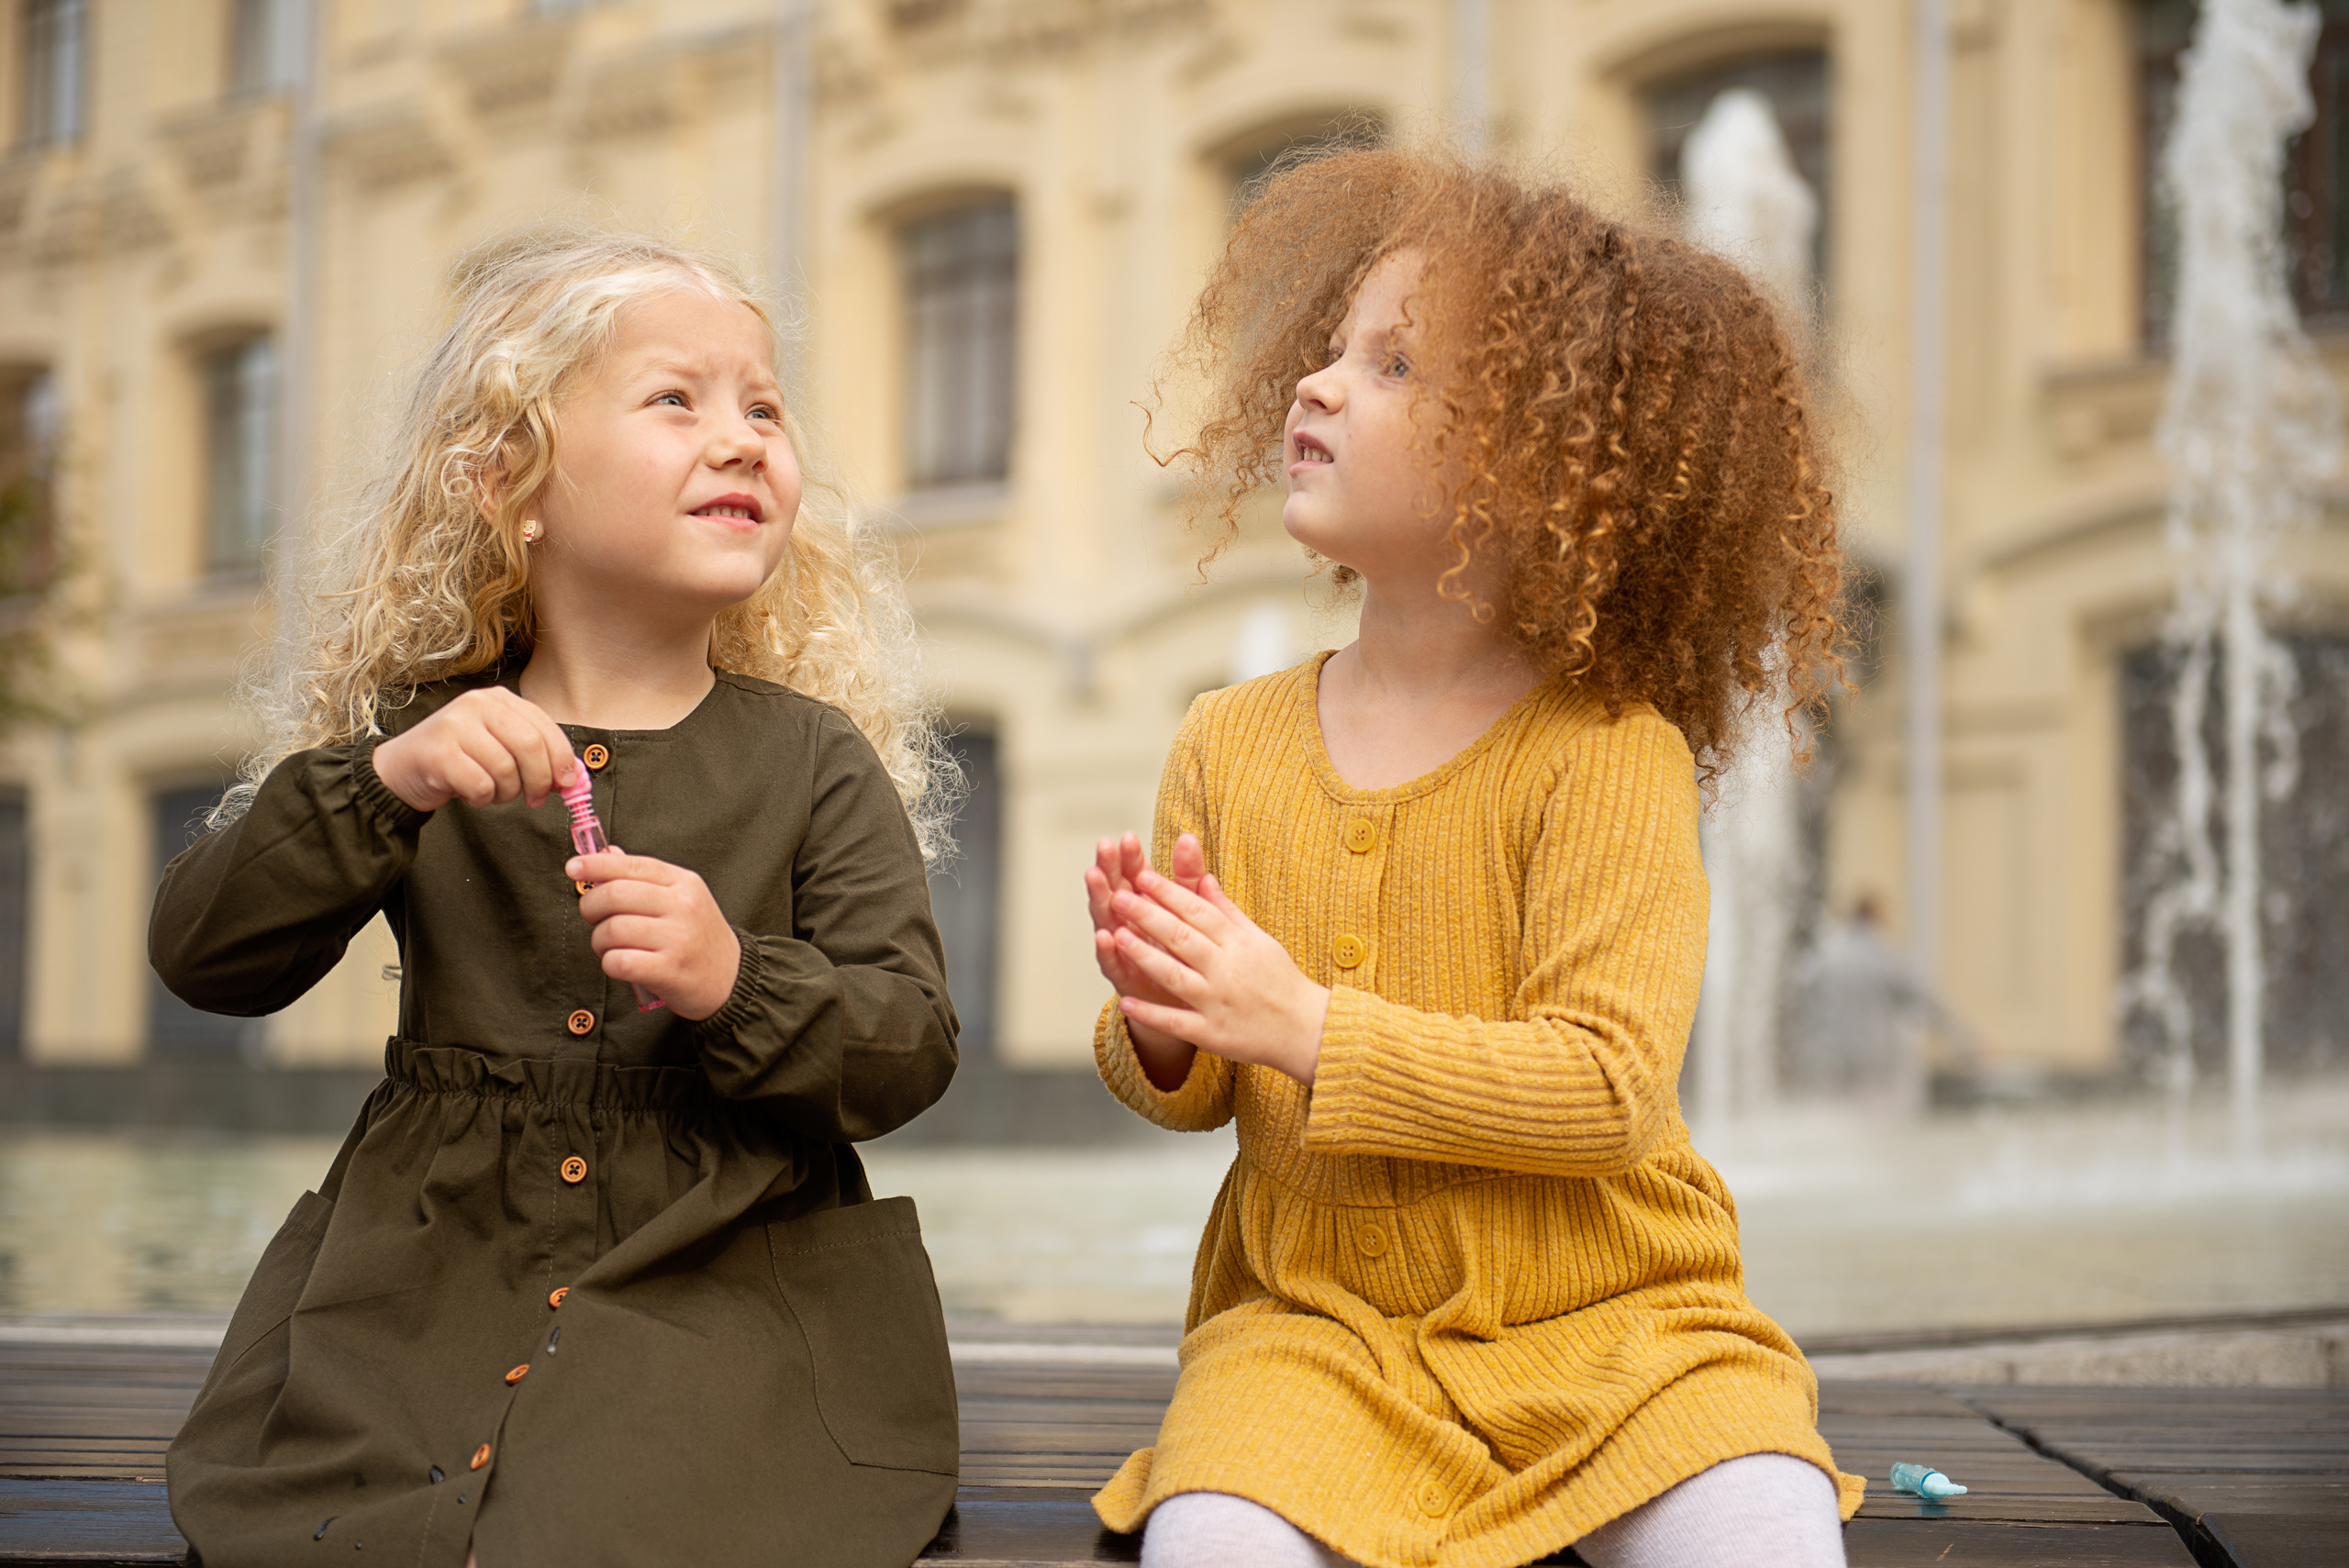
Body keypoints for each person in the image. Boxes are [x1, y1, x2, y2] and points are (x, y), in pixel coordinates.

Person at [1082, 150, 1863, 1568]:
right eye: (1329, 353)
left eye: (1391, 366)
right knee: (1210, 1543)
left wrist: (1302, 1022)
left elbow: (1611, 1086)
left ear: (1548, 463)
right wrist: (1166, 1017)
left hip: (1624, 1332)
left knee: (1766, 1535)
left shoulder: (1608, 749)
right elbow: (1193, 1096)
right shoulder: (1227, 737)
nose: (1315, 384)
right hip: (1313, 1339)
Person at [150, 232, 962, 1568]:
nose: (743, 437)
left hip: (723, 1294)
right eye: (675, 400)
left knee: (641, 1522)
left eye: (764, 405)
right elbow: (205, 953)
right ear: (510, 481)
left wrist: (733, 976)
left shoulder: (815, 759)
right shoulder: (423, 744)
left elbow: (909, 1042)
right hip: (426, 1290)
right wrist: (380, 783)